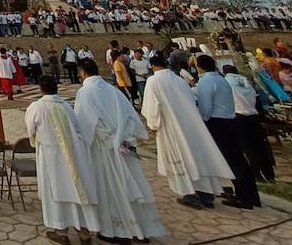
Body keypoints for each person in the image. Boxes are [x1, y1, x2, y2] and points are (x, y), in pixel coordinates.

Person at [75, 59, 165, 242]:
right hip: (123, 145)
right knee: (132, 184)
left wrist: (99, 140)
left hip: (103, 149)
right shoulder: (113, 90)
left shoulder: (85, 92)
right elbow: (130, 116)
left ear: (83, 72)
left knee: (111, 187)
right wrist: (124, 137)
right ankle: (141, 229)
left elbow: (84, 125)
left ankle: (117, 230)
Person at [140, 54, 234, 210]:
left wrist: (153, 125)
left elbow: (151, 107)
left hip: (171, 126)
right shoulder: (178, 80)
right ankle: (206, 193)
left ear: (152, 66)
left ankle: (189, 194)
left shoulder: (153, 81)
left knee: (181, 158)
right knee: (197, 156)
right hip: (191, 124)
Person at [24, 75, 99, 245]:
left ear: (40, 89)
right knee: (76, 188)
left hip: (50, 155)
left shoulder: (36, 107)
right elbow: (77, 128)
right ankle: (83, 232)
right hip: (73, 154)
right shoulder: (66, 106)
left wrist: (36, 141)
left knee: (55, 190)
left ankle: (61, 230)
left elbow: (31, 130)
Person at [194, 55, 260, 208]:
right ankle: (250, 195)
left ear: (199, 66)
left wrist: (202, 120)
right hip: (230, 121)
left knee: (232, 161)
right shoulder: (221, 80)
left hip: (217, 123)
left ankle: (244, 198)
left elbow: (206, 108)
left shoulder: (206, 82)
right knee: (238, 159)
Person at [223, 65, 276, 182]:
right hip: (253, 115)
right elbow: (257, 98)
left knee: (248, 147)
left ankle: (256, 173)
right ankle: (269, 173)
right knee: (260, 145)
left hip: (239, 115)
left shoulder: (226, 81)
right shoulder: (245, 80)